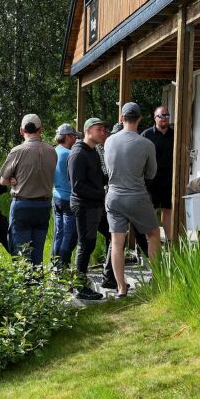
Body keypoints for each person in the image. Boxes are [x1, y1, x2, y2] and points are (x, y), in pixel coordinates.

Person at [105, 104, 160, 298]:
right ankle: (157, 279)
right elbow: (151, 173)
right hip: (137, 195)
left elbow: (107, 170)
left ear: (121, 118)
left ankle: (121, 288)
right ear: (139, 119)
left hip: (113, 197)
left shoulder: (109, 141)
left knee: (116, 242)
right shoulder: (146, 144)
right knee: (153, 234)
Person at [0, 114, 58, 266]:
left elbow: (3, 180)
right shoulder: (52, 151)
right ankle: (37, 285)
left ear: (21, 130)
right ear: (41, 130)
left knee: (21, 253)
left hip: (22, 206)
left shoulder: (17, 151)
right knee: (37, 252)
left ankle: (24, 286)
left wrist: (12, 180)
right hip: (44, 206)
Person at [69, 117, 113, 300]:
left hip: (96, 205)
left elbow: (97, 178)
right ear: (88, 131)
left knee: (114, 236)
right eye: (99, 129)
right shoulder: (78, 153)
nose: (103, 132)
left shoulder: (93, 151)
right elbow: (78, 187)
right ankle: (80, 287)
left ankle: (109, 277)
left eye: (104, 129)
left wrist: (111, 177)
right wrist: (102, 195)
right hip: (84, 206)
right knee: (86, 245)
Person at [140, 105, 174, 240]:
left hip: (169, 179)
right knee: (151, 211)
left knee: (168, 210)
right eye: (162, 116)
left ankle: (169, 240)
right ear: (155, 118)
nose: (165, 118)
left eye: (167, 115)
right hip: (151, 180)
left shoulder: (175, 134)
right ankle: (153, 240)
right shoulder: (146, 135)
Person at [52, 123, 78, 267]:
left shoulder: (55, 151)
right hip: (68, 199)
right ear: (68, 136)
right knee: (69, 235)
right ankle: (63, 265)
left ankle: (55, 264)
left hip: (56, 196)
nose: (75, 139)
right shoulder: (70, 154)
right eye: (74, 136)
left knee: (58, 233)